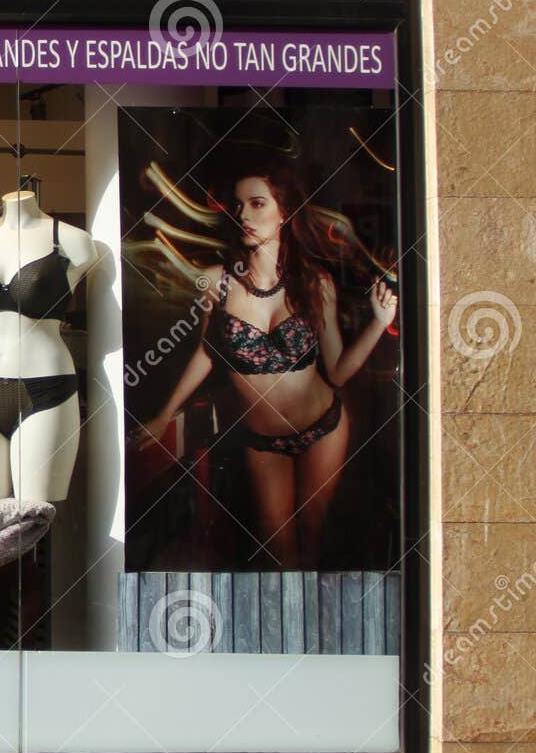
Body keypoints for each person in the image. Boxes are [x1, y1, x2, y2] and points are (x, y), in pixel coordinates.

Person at [138, 166, 397, 567]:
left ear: (284, 212)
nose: (244, 215)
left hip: (323, 428)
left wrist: (379, 323)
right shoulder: (217, 282)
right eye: (238, 206)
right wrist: (164, 415)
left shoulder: (315, 282)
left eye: (258, 204)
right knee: (276, 544)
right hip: (263, 440)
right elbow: (208, 352)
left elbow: (340, 371)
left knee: (313, 532)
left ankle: (312, 625)